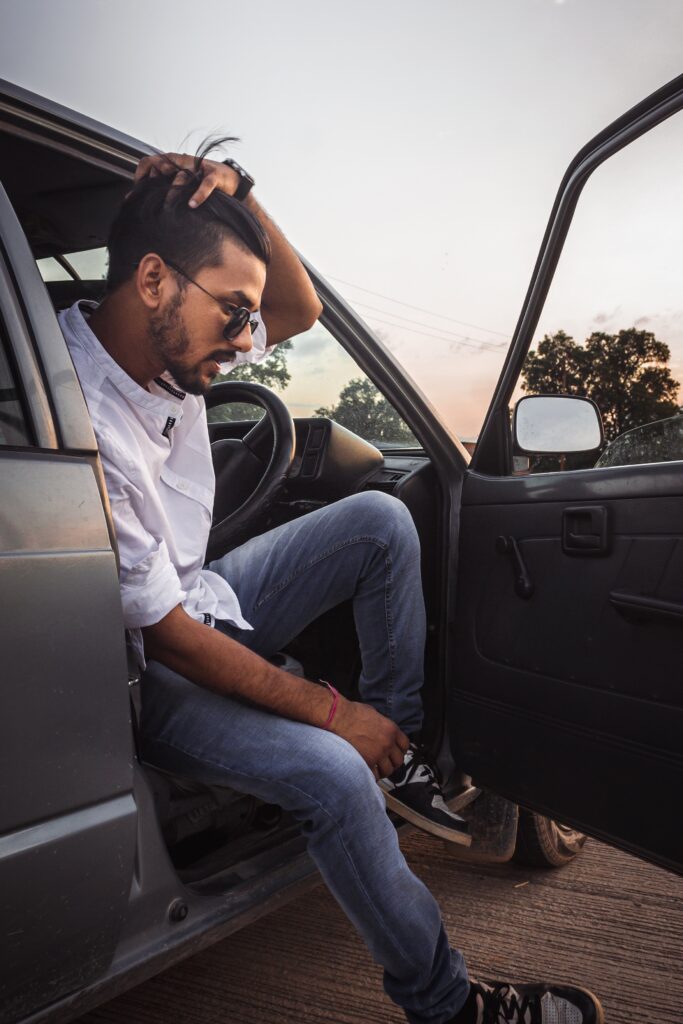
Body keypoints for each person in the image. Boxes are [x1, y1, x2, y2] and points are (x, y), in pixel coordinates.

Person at [58, 144, 604, 1024]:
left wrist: (244, 192)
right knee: (335, 776)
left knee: (381, 520)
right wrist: (333, 715)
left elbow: (301, 305)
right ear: (153, 281)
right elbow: (167, 638)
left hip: (197, 596)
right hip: (138, 669)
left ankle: (405, 757)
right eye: (233, 314)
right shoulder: (78, 413)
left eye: (245, 315)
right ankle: (448, 1004)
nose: (246, 340)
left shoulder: (162, 339)